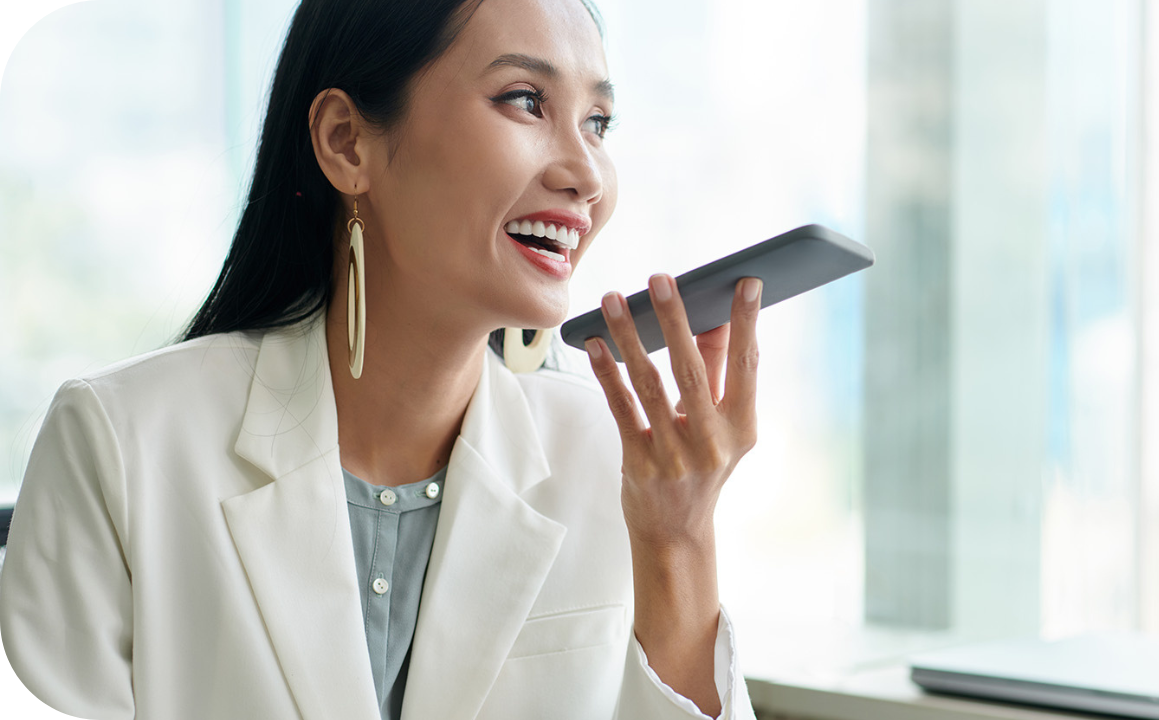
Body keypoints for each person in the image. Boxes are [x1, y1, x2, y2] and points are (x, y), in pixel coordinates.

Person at [0, 0, 763, 718]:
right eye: (526, 100)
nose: (588, 175)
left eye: (597, 122)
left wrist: (679, 539)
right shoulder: (120, 443)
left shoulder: (613, 457)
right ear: (346, 141)